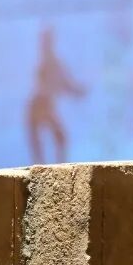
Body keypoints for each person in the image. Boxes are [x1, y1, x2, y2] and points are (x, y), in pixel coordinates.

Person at [26, 27, 86, 164]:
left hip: (44, 104)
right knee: (50, 141)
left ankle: (55, 168)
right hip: (40, 104)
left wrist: (78, 91)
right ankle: (45, 169)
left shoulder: (53, 62)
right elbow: (64, 84)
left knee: (59, 139)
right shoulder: (48, 62)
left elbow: (66, 84)